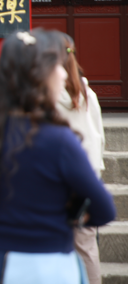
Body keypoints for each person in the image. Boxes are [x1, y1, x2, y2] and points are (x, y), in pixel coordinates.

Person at [0, 30, 116, 283]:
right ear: (38, 76)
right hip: (48, 264)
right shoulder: (58, 140)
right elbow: (104, 209)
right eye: (56, 66)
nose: (63, 73)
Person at [56, 34, 106, 284]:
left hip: (58, 184)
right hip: (87, 179)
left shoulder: (48, 98)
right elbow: (99, 136)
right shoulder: (88, 93)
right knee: (86, 248)